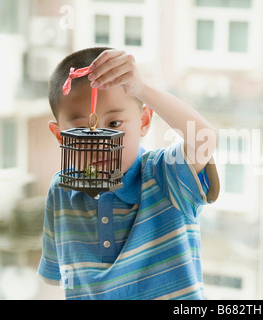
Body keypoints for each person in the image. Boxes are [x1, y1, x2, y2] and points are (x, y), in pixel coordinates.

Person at [37, 47, 220, 300]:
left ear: (144, 122)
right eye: (81, 128)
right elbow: (53, 278)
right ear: (59, 135)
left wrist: (141, 88)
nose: (98, 140)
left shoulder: (164, 175)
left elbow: (204, 139)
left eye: (114, 124)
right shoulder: (60, 190)